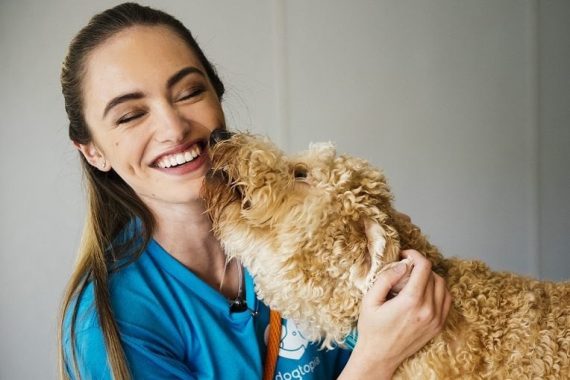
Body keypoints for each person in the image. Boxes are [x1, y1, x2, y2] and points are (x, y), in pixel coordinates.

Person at [58, 3, 451, 379]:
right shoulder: (108, 323)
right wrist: (376, 360)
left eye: (189, 92)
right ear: (92, 151)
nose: (173, 128)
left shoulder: (309, 222)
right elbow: (379, 356)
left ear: (217, 94)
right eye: (130, 115)